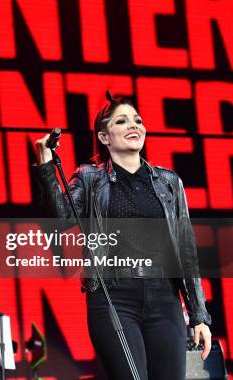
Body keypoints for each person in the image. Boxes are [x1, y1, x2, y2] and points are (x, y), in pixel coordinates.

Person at [32, 91, 212, 379]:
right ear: (104, 137)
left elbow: (186, 249)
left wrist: (199, 315)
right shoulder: (90, 177)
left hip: (165, 298)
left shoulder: (169, 182)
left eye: (137, 120)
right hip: (114, 297)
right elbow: (62, 219)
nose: (134, 126)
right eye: (122, 121)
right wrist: (45, 164)